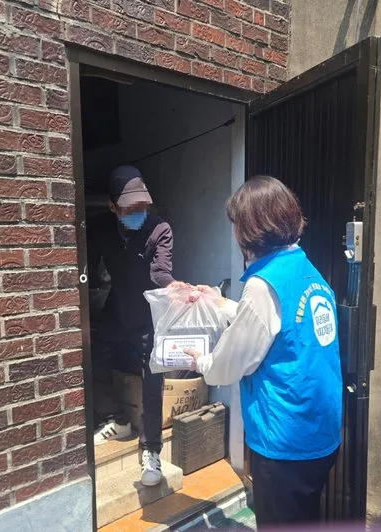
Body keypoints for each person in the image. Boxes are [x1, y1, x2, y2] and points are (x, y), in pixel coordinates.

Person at [184, 176, 344, 526]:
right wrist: (220, 303)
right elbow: (275, 326)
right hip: (320, 431)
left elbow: (231, 363)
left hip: (285, 440)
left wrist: (201, 362)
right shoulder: (307, 271)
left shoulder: (261, 285)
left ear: (251, 229)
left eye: (237, 224)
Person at [87, 165, 187, 487]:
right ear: (112, 206)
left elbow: (160, 272)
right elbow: (88, 266)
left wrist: (175, 288)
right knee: (94, 357)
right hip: (117, 309)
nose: (137, 213)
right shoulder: (101, 228)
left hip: (147, 316)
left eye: (141, 206)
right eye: (129, 207)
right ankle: (118, 420)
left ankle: (151, 450)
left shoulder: (159, 229)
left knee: (152, 381)